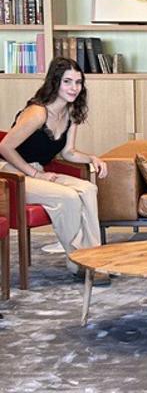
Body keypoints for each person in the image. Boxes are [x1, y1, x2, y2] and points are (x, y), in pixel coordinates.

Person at [0, 57, 108, 281]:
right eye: (67, 82)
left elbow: (68, 152)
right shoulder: (37, 112)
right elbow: (5, 147)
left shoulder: (71, 112)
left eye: (78, 82)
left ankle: (95, 260)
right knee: (68, 197)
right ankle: (78, 262)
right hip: (10, 172)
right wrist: (36, 174)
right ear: (55, 82)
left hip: (37, 170)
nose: (74, 88)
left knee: (88, 189)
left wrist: (92, 158)